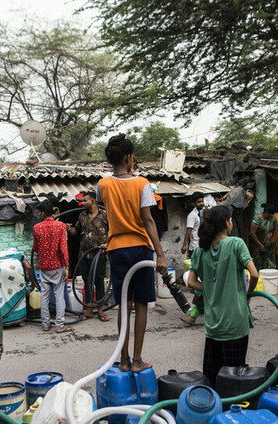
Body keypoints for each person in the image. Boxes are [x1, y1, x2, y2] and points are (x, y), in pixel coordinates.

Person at [96, 134, 168, 373]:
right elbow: (148, 220)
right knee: (142, 304)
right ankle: (137, 360)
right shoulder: (142, 184)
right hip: (141, 249)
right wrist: (161, 254)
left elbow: (107, 205)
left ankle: (124, 360)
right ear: (129, 157)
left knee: (124, 306)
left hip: (117, 250)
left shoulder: (103, 185)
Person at [186, 206, 259, 386]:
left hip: (213, 326)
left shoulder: (200, 250)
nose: (232, 222)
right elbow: (255, 274)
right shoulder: (236, 244)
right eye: (231, 220)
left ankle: (213, 409)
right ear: (226, 223)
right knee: (234, 379)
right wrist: (248, 294)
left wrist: (210, 288)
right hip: (235, 325)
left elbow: (191, 282)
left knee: (211, 379)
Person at [67, 191, 110, 322]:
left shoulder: (105, 215)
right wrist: (69, 228)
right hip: (84, 255)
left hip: (99, 255)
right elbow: (76, 231)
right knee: (87, 282)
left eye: (85, 201)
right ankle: (89, 310)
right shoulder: (82, 216)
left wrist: (107, 243)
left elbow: (113, 231)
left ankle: (100, 311)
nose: (82, 203)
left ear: (93, 201)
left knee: (99, 282)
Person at [33, 199, 72, 333]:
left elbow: (36, 248)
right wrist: (67, 266)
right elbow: (63, 248)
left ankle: (45, 324)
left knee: (44, 295)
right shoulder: (60, 226)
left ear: (43, 213)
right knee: (59, 295)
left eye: (40, 212)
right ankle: (60, 325)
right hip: (58, 266)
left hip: (44, 267)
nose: (39, 214)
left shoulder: (37, 227)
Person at [0, 248, 39, 328]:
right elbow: (29, 268)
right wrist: (33, 282)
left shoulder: (0, 255)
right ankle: (20, 321)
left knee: (0, 296)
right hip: (14, 272)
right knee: (18, 293)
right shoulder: (19, 255)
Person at [250, 203, 277, 270]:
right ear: (266, 212)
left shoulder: (273, 218)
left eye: (272, 215)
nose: (271, 216)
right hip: (259, 245)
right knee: (259, 264)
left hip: (270, 245)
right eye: (269, 214)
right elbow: (252, 233)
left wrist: (273, 239)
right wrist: (260, 245)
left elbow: (275, 230)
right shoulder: (257, 219)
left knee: (270, 266)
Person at [181, 193, 205, 257]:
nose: (201, 203)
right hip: (195, 247)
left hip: (201, 245)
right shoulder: (192, 215)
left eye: (202, 201)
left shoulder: (201, 213)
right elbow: (188, 232)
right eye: (199, 202)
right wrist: (184, 246)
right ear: (194, 204)